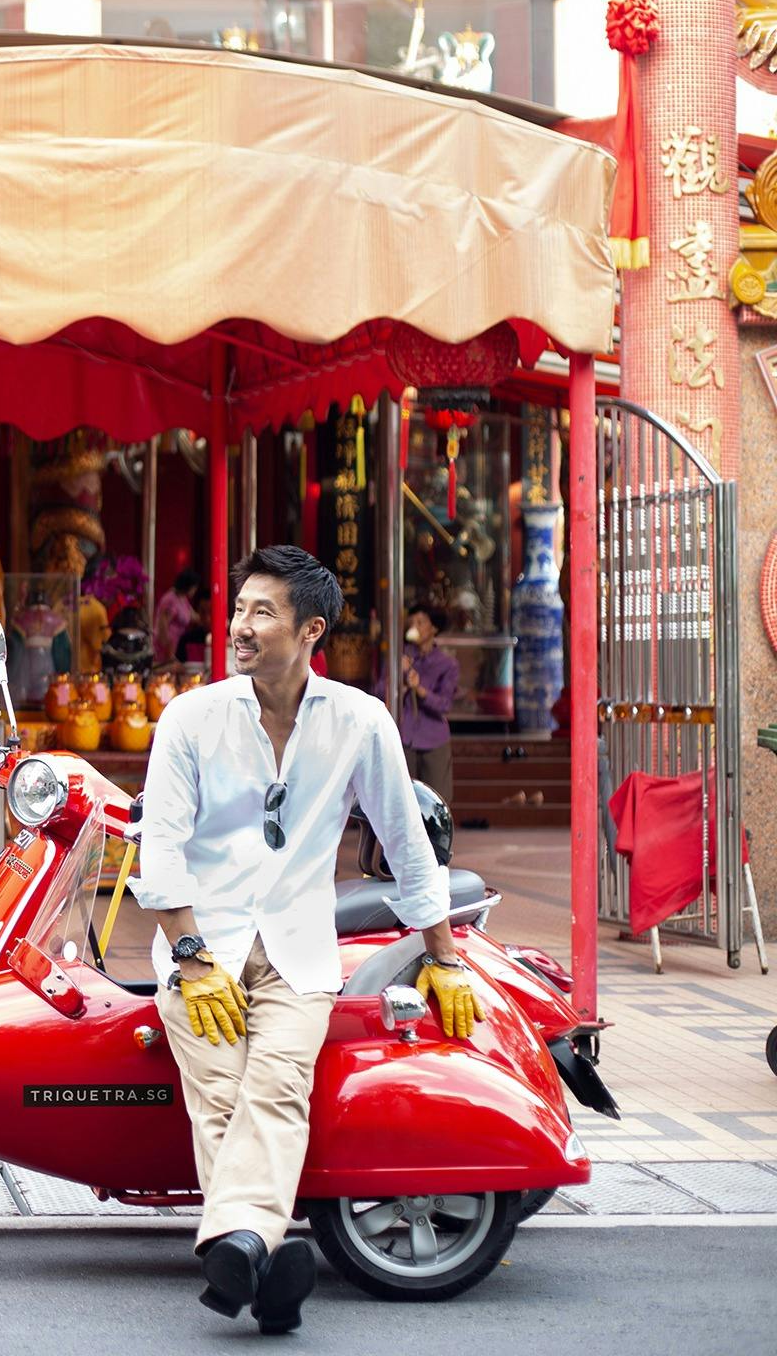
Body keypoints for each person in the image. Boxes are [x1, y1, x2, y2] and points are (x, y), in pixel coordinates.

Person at [133, 545, 478, 1335]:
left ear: (310, 629)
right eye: (239, 609)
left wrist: (443, 958)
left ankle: (238, 1250)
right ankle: (260, 1249)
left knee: (276, 1087)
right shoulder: (191, 717)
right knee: (221, 1094)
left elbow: (406, 843)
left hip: (299, 949)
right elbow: (158, 850)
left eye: (263, 613)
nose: (240, 627)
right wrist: (190, 961)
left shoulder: (359, 721)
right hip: (201, 945)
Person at [392, 604, 458, 804]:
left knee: (436, 801)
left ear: (433, 629)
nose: (415, 627)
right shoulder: (399, 658)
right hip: (404, 737)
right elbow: (378, 692)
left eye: (421, 622)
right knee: (403, 799)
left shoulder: (447, 664)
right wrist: (400, 682)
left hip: (433, 739)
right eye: (412, 623)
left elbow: (445, 704)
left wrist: (420, 689)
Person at [155, 569, 199, 664]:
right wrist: (168, 651)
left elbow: (194, 617)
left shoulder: (183, 598)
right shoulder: (171, 599)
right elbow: (163, 626)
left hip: (178, 646)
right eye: (194, 587)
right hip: (167, 648)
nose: (195, 591)